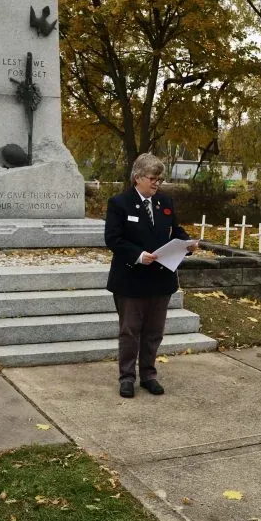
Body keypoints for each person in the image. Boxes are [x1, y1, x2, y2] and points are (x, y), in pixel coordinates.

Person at [105, 153, 197, 398]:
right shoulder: (119, 203)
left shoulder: (165, 201)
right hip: (131, 279)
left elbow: (174, 229)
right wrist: (138, 255)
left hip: (160, 279)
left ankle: (148, 375)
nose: (157, 183)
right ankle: (126, 378)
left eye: (160, 179)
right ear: (137, 178)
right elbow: (113, 239)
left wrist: (186, 242)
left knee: (154, 332)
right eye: (153, 178)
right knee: (130, 332)